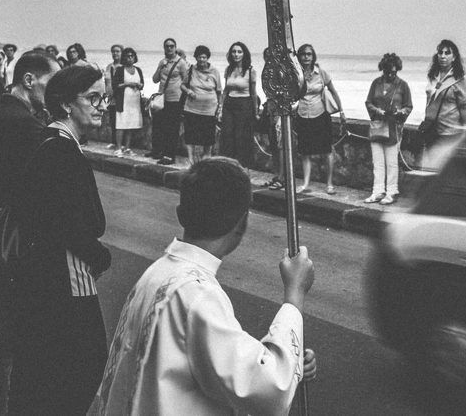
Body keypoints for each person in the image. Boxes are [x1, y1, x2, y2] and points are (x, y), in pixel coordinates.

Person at [90, 157, 316, 415]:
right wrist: (294, 295)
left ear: (180, 214)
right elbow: (270, 387)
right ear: (242, 224)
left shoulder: (156, 274)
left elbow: (220, 359)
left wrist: (288, 357)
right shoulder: (197, 294)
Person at [8, 66, 112, 415]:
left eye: (105, 98)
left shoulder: (47, 142)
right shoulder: (61, 150)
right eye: (93, 98)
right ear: (67, 104)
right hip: (68, 274)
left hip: (43, 276)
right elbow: (65, 223)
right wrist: (99, 255)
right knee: (86, 361)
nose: (102, 106)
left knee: (45, 372)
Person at [0, 51, 60, 416]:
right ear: (28, 80)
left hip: (0, 239)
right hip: (23, 246)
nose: (53, 92)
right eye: (49, 83)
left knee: (3, 338)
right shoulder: (24, 126)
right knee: (18, 340)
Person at [294, 44, 344, 195]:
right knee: (304, 151)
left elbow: (334, 92)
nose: (306, 57)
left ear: (313, 56)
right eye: (303, 54)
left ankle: (329, 183)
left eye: (309, 54)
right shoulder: (296, 74)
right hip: (302, 113)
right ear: (299, 57)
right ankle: (306, 183)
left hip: (320, 113)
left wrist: (341, 111)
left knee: (326, 150)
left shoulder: (321, 73)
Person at [364, 53, 413, 205]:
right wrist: (377, 111)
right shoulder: (376, 83)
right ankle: (377, 191)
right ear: (383, 69)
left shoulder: (402, 85)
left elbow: (409, 106)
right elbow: (368, 102)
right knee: (377, 162)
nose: (390, 75)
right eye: (387, 72)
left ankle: (392, 191)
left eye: (393, 72)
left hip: (394, 128)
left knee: (391, 163)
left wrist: (401, 113)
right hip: (378, 127)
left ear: (397, 69)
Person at [422, 39, 466, 156]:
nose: (443, 56)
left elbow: (465, 107)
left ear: (454, 58)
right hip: (431, 131)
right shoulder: (433, 77)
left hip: (450, 133)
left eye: (447, 53)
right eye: (440, 53)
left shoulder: (459, 80)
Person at [217, 41, 260, 169]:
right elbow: (225, 91)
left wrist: (256, 111)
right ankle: (227, 165)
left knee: (241, 137)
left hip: (244, 105)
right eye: (234, 51)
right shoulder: (228, 69)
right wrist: (220, 109)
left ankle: (242, 166)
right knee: (227, 136)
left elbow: (253, 92)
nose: (236, 54)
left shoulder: (250, 70)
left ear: (244, 54)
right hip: (229, 104)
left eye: (239, 52)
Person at [150, 38, 189, 165]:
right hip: (162, 99)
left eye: (172, 46)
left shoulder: (181, 63)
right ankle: (159, 151)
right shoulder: (162, 62)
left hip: (175, 99)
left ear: (175, 47)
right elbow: (155, 79)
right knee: (160, 127)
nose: (169, 48)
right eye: (167, 46)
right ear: (164, 48)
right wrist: (160, 67)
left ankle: (170, 155)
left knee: (172, 129)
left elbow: (186, 81)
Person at [181, 45, 222, 164]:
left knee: (208, 138)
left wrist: (220, 107)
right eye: (199, 57)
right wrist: (188, 91)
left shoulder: (214, 71)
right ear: (196, 58)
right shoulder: (191, 70)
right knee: (190, 136)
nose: (202, 60)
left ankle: (206, 159)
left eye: (204, 57)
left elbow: (219, 91)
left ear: (207, 58)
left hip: (209, 109)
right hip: (192, 108)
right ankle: (191, 159)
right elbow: (182, 85)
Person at [111, 47, 144, 156]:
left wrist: (139, 85)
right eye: (127, 56)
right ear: (124, 58)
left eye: (132, 56)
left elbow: (142, 84)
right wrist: (127, 84)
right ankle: (119, 148)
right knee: (121, 124)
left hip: (134, 102)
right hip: (123, 101)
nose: (130, 58)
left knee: (131, 125)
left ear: (134, 57)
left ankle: (127, 147)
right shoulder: (120, 70)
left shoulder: (138, 70)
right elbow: (115, 85)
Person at [103, 44, 122, 150]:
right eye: (113, 51)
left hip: (121, 96)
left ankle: (121, 143)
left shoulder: (123, 67)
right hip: (111, 98)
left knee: (121, 120)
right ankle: (113, 141)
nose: (115, 53)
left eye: (117, 51)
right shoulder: (109, 66)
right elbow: (106, 82)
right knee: (112, 119)